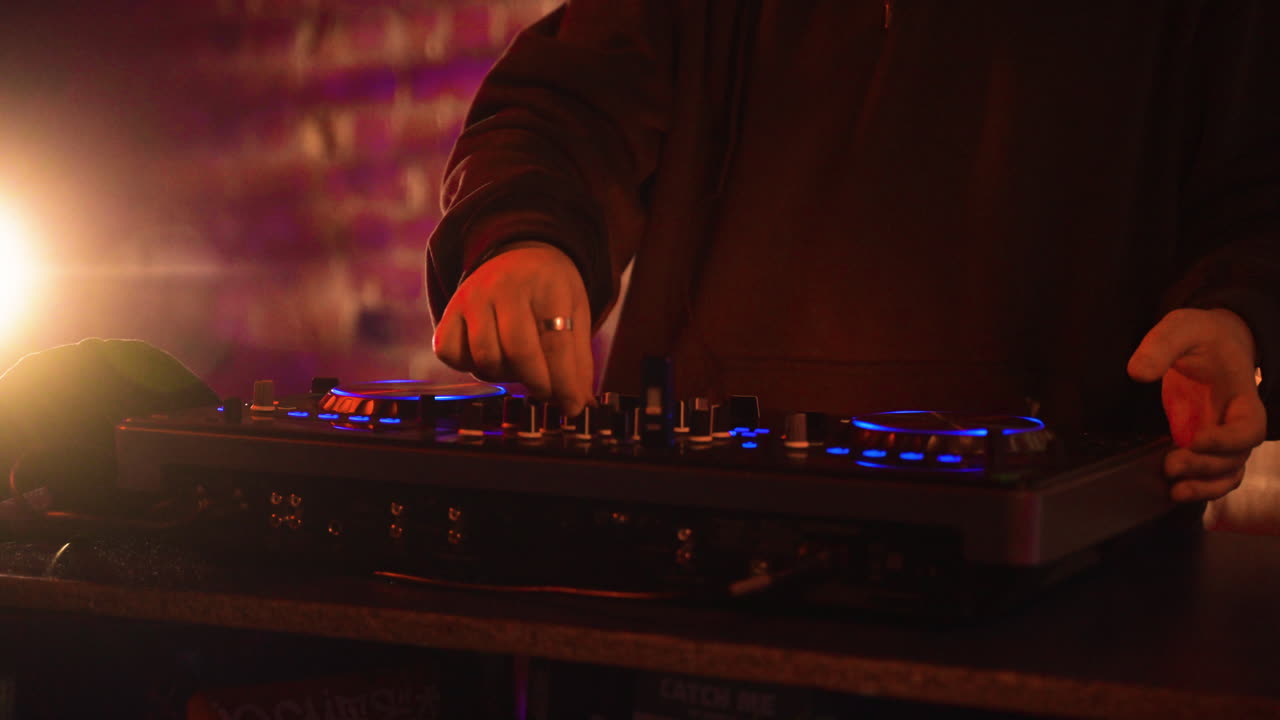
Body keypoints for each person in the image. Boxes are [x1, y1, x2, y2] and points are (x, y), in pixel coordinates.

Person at [425, 1, 1280, 503]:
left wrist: (1240, 318)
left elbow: (1257, 179)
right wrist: (524, 236)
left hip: (1078, 577)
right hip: (704, 534)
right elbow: (569, 103)